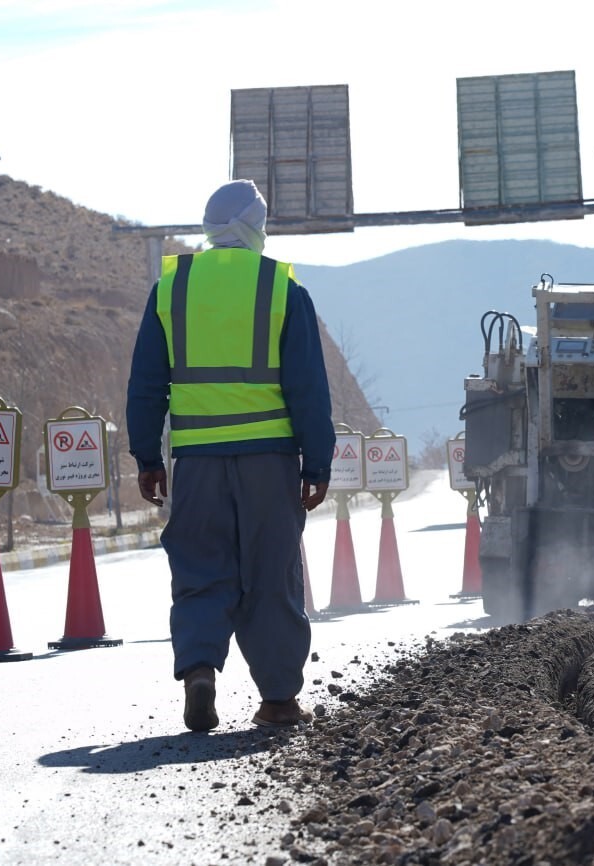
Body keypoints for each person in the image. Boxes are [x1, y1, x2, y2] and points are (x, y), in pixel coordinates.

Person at [126, 179, 335, 733]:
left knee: (199, 568)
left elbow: (146, 382)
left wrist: (147, 456)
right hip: (269, 461)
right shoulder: (280, 288)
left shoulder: (172, 288)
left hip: (195, 462)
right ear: (255, 227)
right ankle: (277, 699)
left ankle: (200, 670)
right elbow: (308, 387)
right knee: (271, 574)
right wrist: (317, 463)